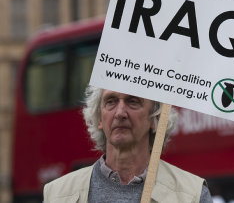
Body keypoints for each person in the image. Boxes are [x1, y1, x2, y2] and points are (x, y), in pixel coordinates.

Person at [43, 86, 212, 202]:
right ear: (99, 118)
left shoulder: (191, 195)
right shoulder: (58, 195)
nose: (120, 112)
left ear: (155, 119)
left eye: (133, 101)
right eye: (111, 101)